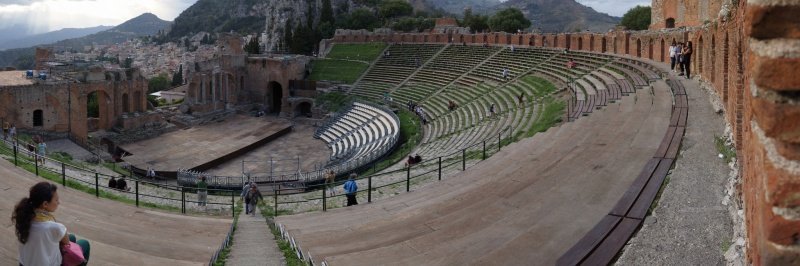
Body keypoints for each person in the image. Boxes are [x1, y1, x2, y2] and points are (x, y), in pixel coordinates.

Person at [13, 182, 91, 266]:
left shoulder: (24, 219)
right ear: (45, 204)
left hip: (24, 264)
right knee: (84, 243)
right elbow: (66, 242)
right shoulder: (54, 227)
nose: (58, 202)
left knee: (72, 237)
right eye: (56, 200)